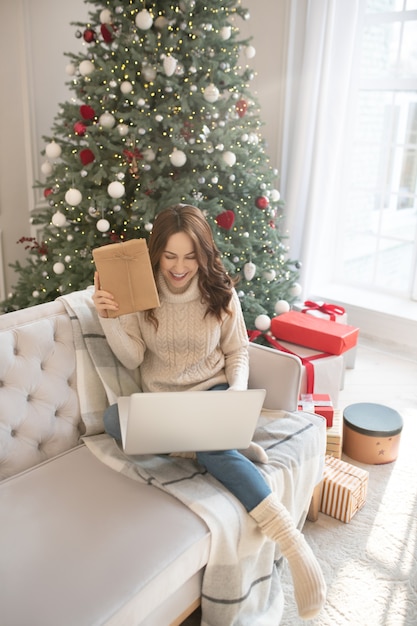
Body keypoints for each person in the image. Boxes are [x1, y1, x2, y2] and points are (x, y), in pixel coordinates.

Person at [92, 204, 326, 619]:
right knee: (114, 421)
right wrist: (109, 316)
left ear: (203, 253)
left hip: (212, 390)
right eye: (169, 256)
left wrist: (236, 390)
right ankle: (212, 447)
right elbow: (130, 360)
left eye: (189, 256)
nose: (179, 267)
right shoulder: (141, 293)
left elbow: (237, 351)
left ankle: (292, 543)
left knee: (211, 445)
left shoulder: (219, 291)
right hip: (164, 403)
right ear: (156, 253)